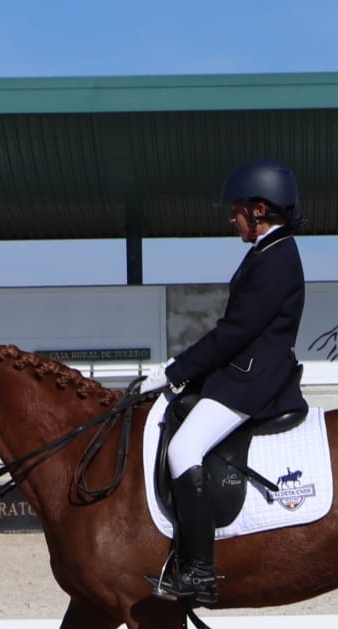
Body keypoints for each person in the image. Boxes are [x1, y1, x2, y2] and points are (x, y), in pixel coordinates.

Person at [139, 158, 308, 605]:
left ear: (259, 209)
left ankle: (199, 572)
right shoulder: (267, 253)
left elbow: (235, 333)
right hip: (241, 374)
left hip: (252, 382)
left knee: (183, 448)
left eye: (236, 210)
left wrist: (173, 372)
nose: (230, 218)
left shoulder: (276, 258)